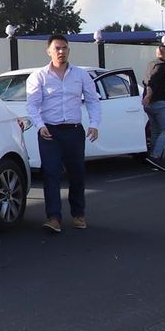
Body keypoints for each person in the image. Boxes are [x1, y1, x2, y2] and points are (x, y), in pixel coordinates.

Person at [24, 34, 102, 234]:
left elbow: (93, 100)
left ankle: (78, 214)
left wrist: (94, 124)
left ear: (69, 50)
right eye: (57, 48)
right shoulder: (39, 76)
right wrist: (40, 125)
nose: (61, 52)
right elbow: (32, 105)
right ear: (49, 51)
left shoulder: (80, 75)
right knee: (51, 173)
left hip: (74, 132)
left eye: (64, 48)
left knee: (77, 174)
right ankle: (54, 217)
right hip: (50, 132)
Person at [141, 45, 165, 172]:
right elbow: (151, 83)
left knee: (155, 130)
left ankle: (152, 156)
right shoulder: (161, 67)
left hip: (149, 105)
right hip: (158, 102)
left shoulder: (151, 64)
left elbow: (146, 81)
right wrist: (149, 96)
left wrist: (147, 98)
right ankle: (155, 156)